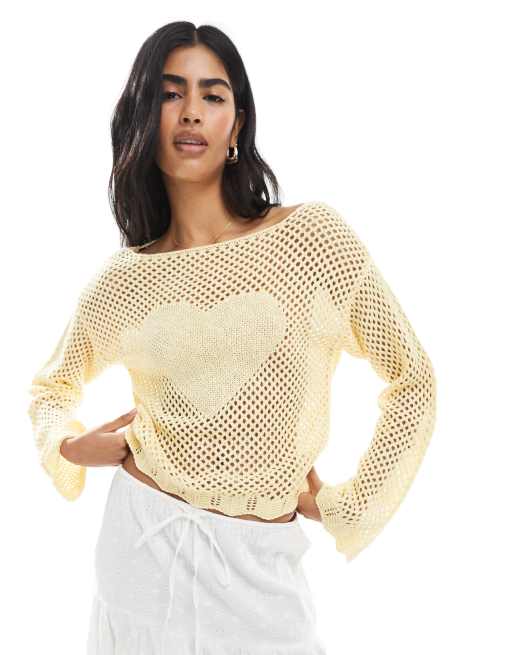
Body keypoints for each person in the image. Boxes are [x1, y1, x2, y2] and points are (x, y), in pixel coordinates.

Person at [27, 20, 437, 655]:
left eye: (212, 95)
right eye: (170, 93)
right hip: (142, 549)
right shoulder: (126, 279)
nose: (191, 111)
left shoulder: (312, 240)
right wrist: (68, 445)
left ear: (237, 123)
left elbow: (413, 379)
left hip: (263, 571)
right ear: (144, 117)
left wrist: (348, 505)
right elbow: (51, 387)